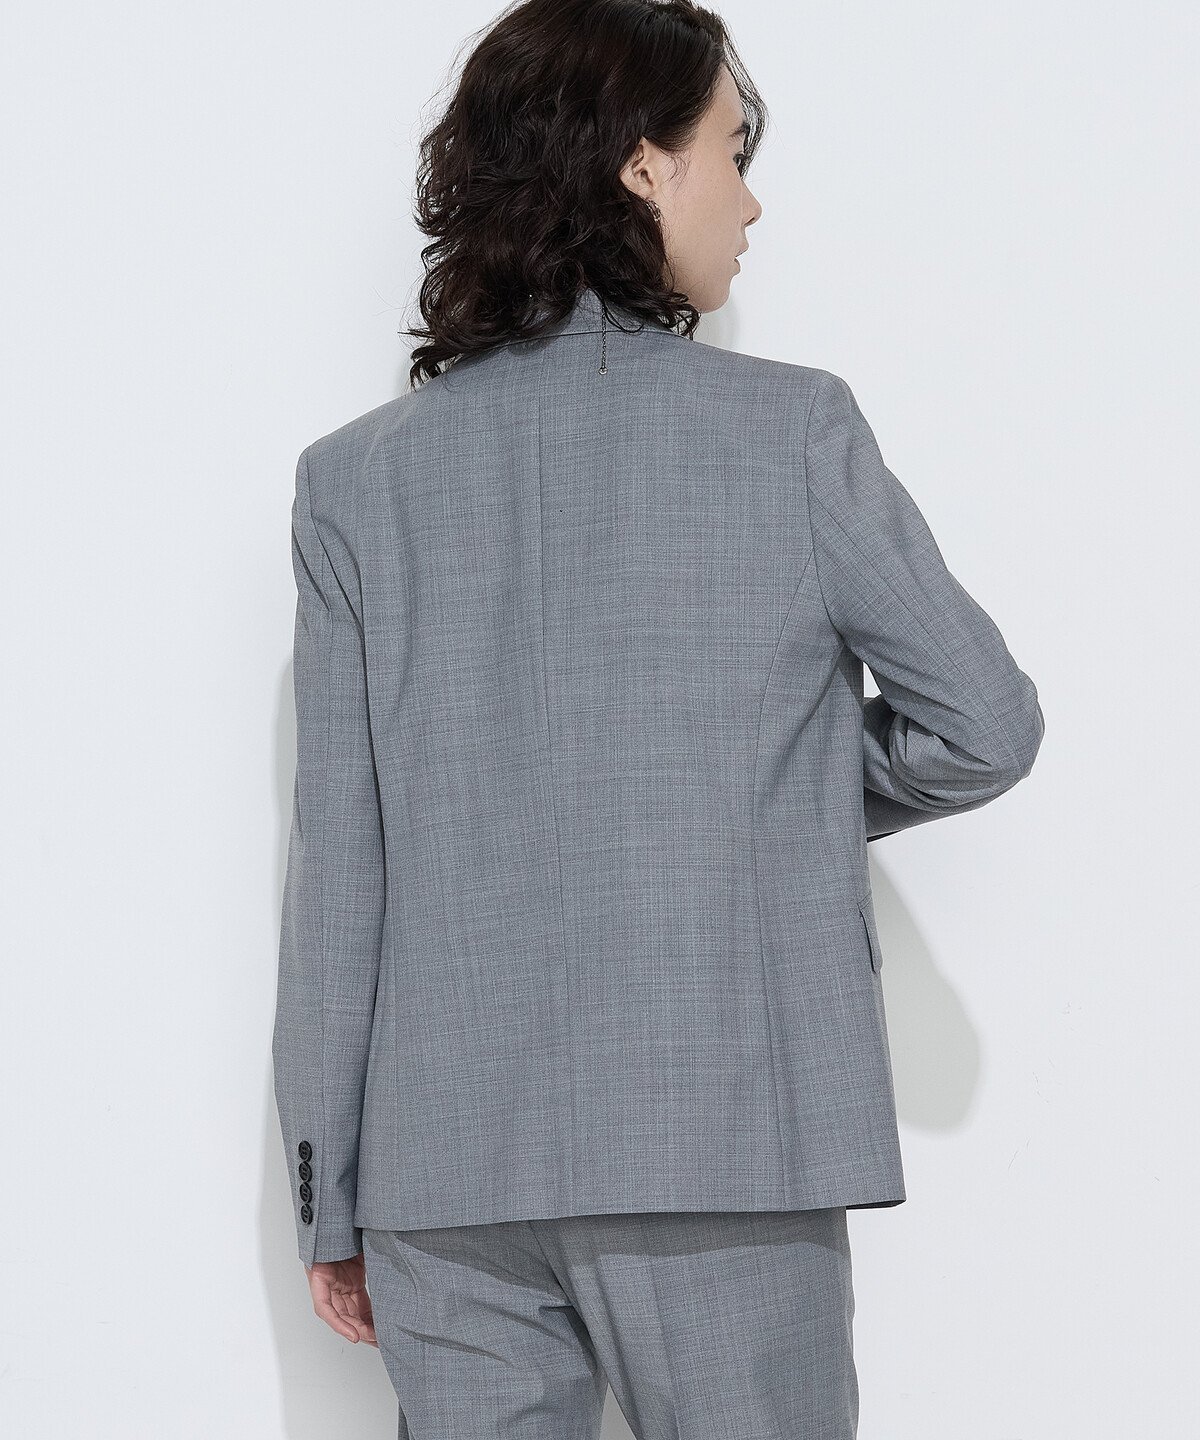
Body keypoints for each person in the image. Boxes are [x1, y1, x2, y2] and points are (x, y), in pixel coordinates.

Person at [271, 1, 1045, 1434]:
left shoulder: (357, 483)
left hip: (442, 1176)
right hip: (724, 1142)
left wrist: (329, 1187)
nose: (750, 201)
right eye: (730, 152)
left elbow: (340, 873)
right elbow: (985, 723)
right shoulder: (793, 431)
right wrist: (766, 792)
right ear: (642, 165)